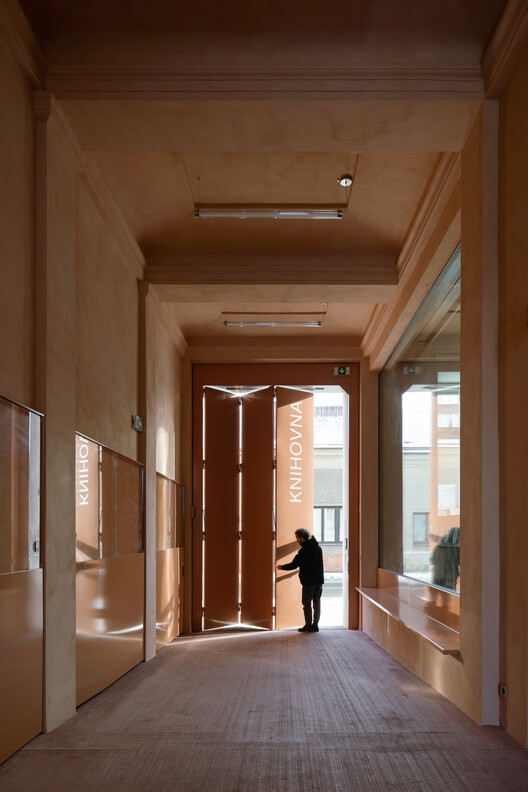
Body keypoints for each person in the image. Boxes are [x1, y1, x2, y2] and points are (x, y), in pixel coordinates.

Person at [276, 528, 324, 632]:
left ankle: (308, 625)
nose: (297, 540)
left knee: (306, 604)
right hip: (319, 581)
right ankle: (315, 626)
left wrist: (281, 567)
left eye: (297, 538)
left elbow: (294, 565)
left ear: (302, 538)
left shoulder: (304, 551)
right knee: (317, 603)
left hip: (308, 582)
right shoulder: (318, 548)